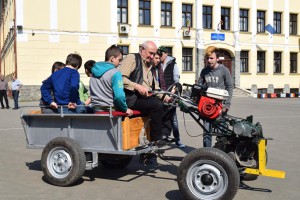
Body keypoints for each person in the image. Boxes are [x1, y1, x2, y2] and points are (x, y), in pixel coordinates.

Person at [119, 41, 171, 146]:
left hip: (142, 99)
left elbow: (155, 87)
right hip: (130, 98)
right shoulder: (132, 58)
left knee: (168, 105)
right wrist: (137, 86)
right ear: (142, 50)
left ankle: (161, 136)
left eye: (154, 54)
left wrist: (166, 96)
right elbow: (120, 78)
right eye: (150, 53)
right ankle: (155, 139)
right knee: (157, 105)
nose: (152, 56)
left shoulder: (150, 66)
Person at [198, 46, 233, 147]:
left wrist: (227, 105)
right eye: (207, 58)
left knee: (221, 133)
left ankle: (220, 154)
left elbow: (230, 86)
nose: (209, 60)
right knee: (206, 134)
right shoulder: (204, 71)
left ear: (217, 58)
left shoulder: (224, 70)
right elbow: (199, 87)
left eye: (211, 58)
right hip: (207, 107)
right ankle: (207, 154)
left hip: (220, 107)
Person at [89, 45, 133, 116]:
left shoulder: (93, 73)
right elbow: (119, 96)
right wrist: (125, 108)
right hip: (110, 113)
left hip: (95, 110)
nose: (120, 63)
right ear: (112, 58)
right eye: (119, 60)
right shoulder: (116, 73)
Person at [156, 46, 185, 148]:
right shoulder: (158, 64)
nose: (159, 56)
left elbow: (176, 79)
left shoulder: (172, 64)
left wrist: (173, 90)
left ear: (166, 54)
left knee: (173, 118)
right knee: (161, 116)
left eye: (161, 54)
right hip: (161, 94)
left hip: (171, 93)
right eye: (158, 55)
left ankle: (177, 140)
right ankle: (163, 137)